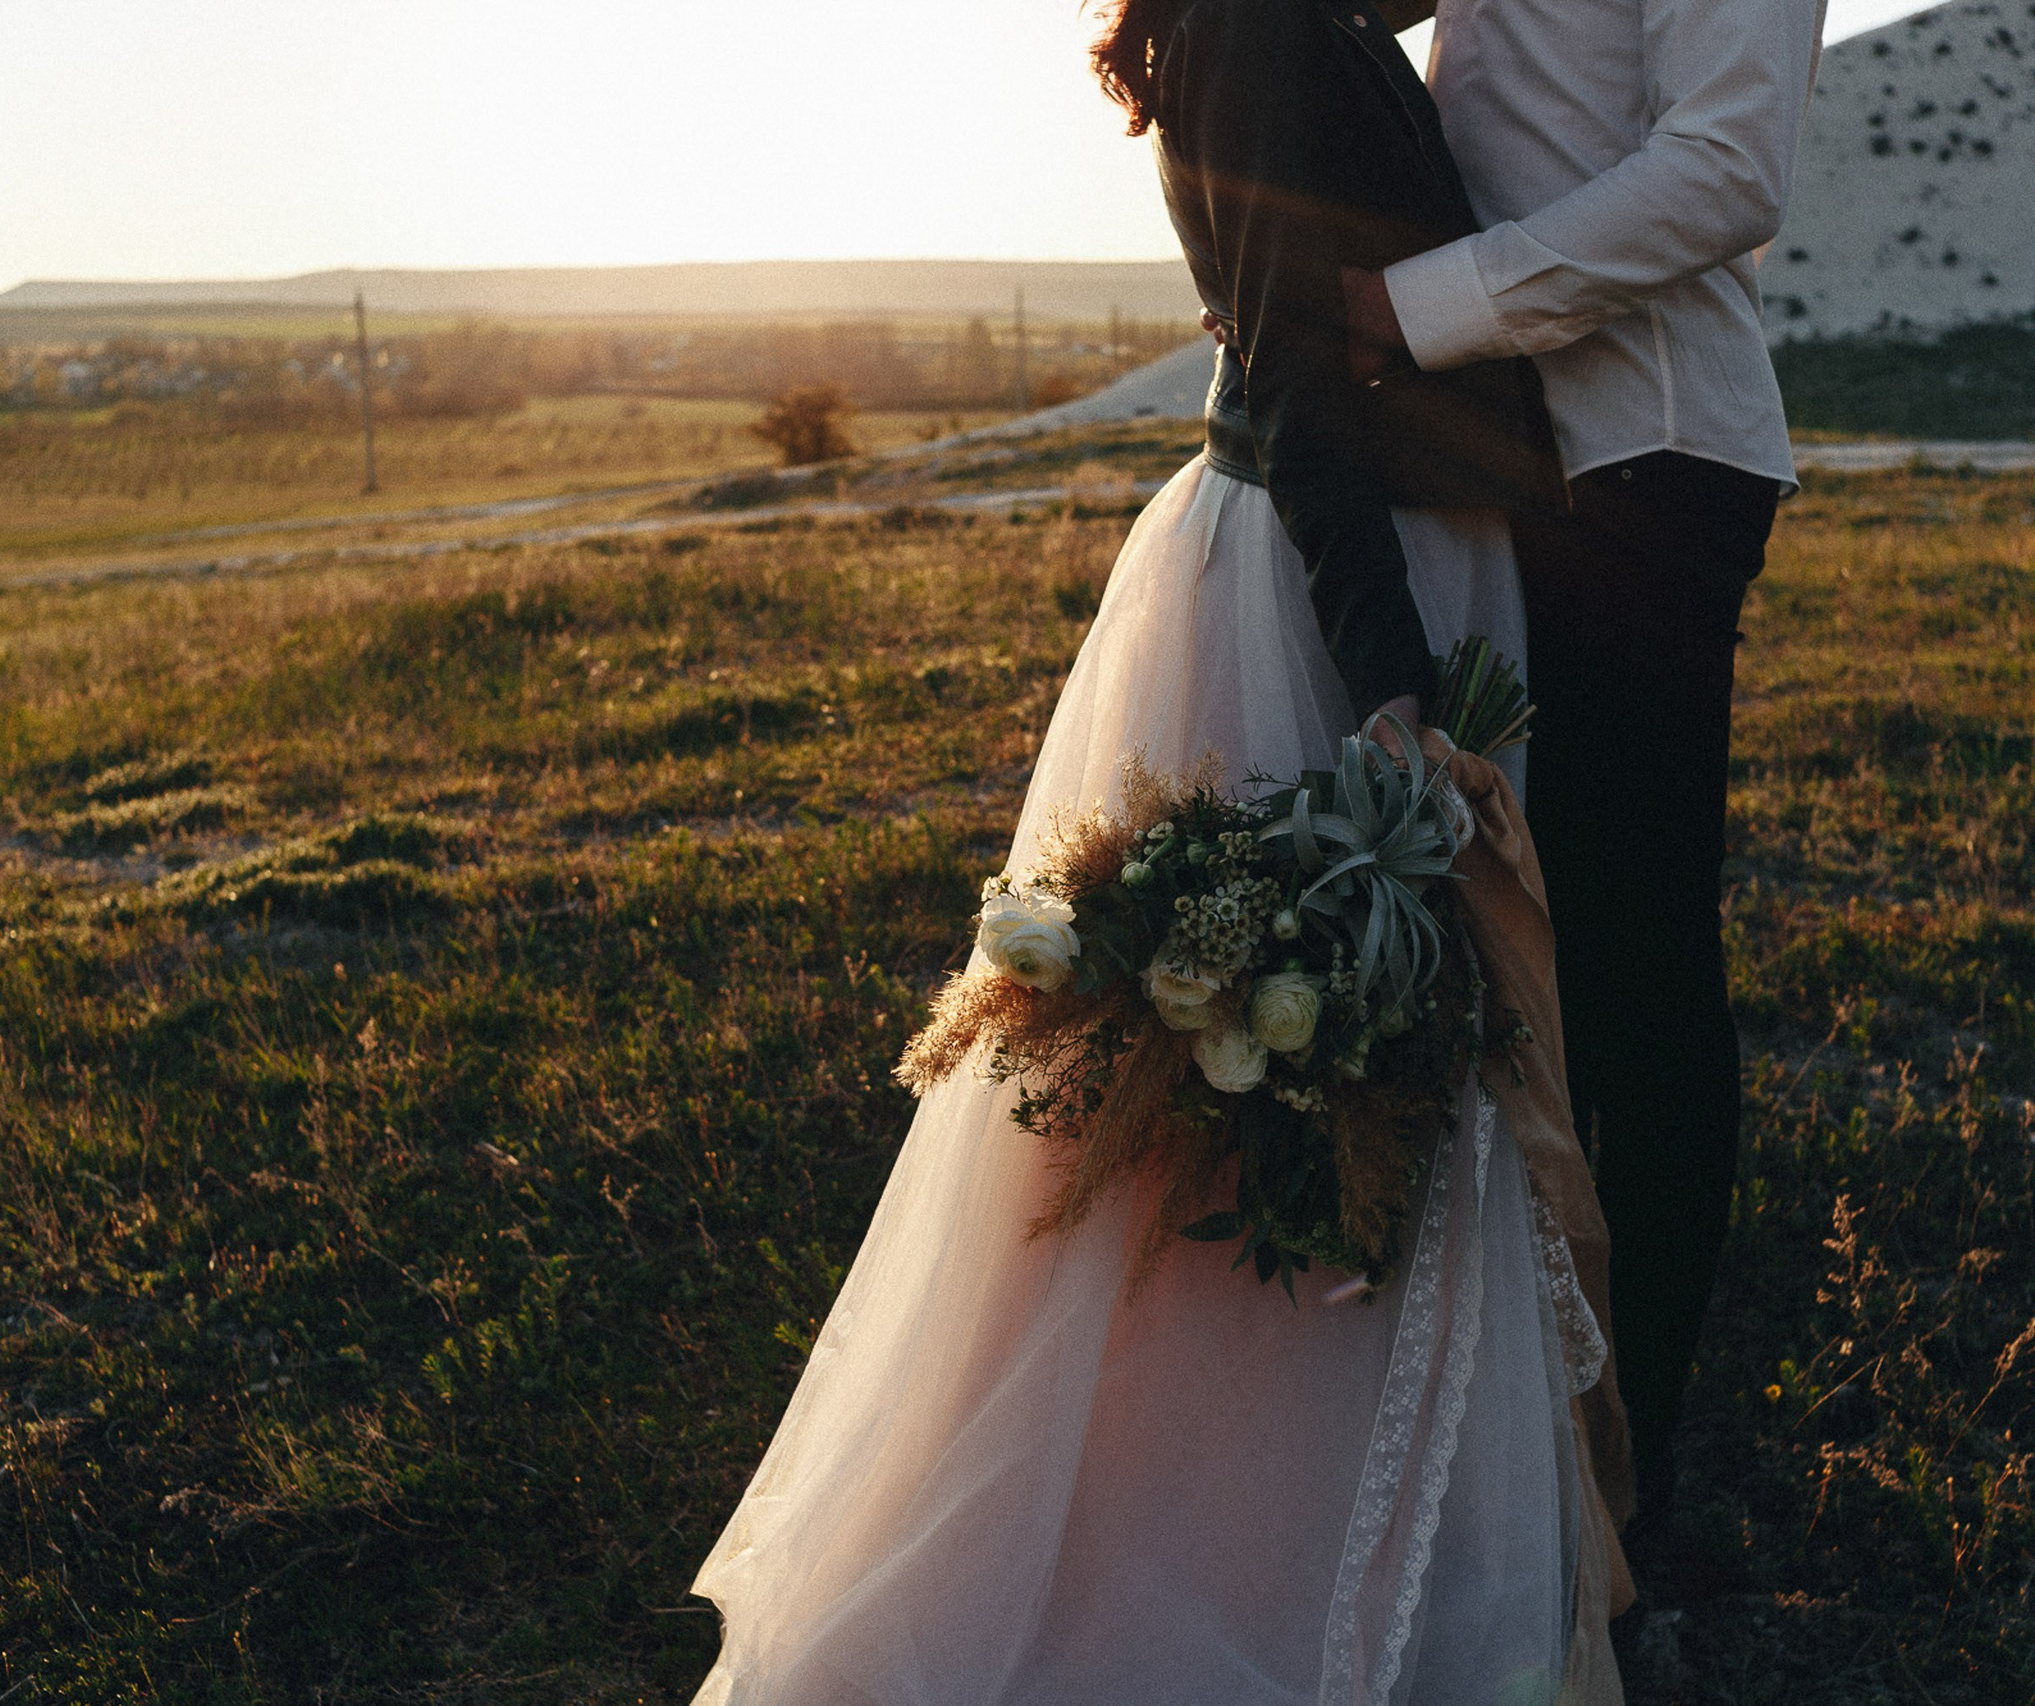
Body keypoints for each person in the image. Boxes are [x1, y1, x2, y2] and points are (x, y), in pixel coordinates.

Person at [687, 0, 1630, 1700]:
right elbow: (1294, 370)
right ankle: (1235, 1548)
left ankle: (1359, 1514)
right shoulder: (1258, 32)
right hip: (1335, 600)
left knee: (1347, 1074)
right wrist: (1391, 679)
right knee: (1298, 1075)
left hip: (1387, 561)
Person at [1342, 0, 1828, 1515]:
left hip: (1646, 457)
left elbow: (1727, 169)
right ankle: (1528, 1410)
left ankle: (1634, 1460)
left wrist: (1414, 307)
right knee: (1526, 953)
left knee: (1633, 974)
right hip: (1515, 456)